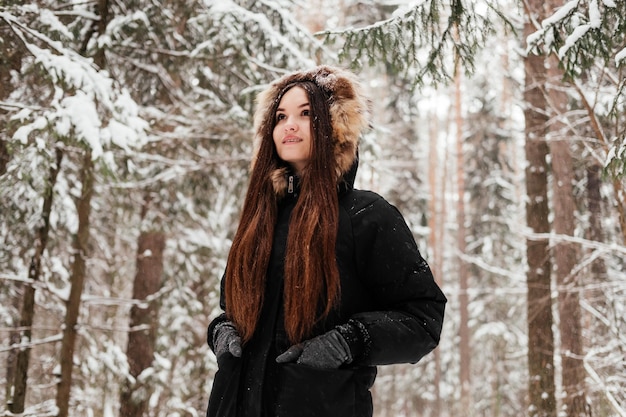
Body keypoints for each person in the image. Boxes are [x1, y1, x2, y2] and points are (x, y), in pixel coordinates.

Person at [206, 65, 446, 417]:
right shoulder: (260, 217)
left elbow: (423, 319)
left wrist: (347, 342)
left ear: (333, 126)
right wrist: (222, 333)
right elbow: (233, 306)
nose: (289, 125)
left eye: (305, 114)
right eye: (281, 116)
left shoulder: (366, 215)